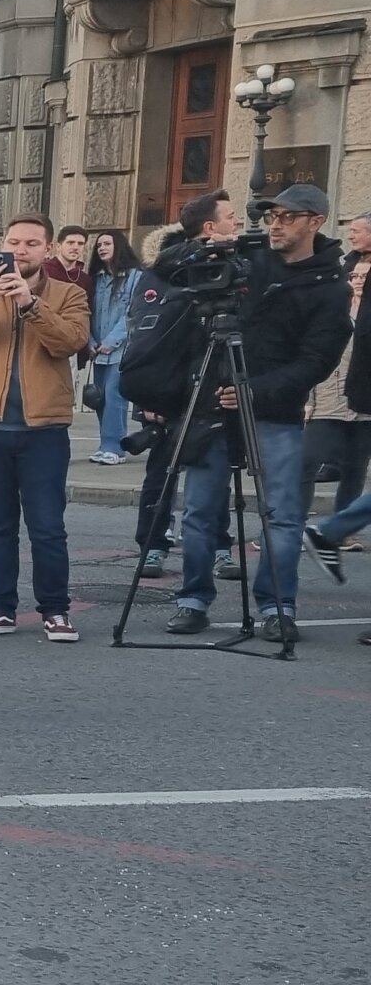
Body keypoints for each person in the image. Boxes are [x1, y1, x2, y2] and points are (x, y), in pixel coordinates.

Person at [158, 183, 348, 642]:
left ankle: (277, 606)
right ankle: (193, 599)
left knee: (281, 515)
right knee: (200, 510)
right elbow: (164, 272)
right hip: (214, 406)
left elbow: (316, 361)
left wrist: (252, 391)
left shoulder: (330, 284)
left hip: (274, 413)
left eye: (286, 217)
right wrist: (199, 247)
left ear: (315, 222)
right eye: (270, 216)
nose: (274, 224)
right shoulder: (248, 255)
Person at [0, 214, 93, 642]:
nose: (20, 250)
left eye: (30, 243)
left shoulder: (69, 294)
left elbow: (69, 343)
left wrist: (30, 303)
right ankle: (0, 608)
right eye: (13, 242)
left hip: (43, 429)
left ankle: (56, 610)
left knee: (47, 525)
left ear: (47, 250)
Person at [132, 195, 241, 580]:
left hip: (220, 384)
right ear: (209, 228)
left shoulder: (237, 265)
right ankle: (152, 545)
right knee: (161, 473)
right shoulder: (166, 271)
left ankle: (221, 545)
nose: (239, 221)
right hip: (171, 389)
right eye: (231, 216)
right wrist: (148, 396)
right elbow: (146, 336)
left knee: (219, 472)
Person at [303, 257, 371, 543]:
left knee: (355, 468)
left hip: (364, 405)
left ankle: (340, 531)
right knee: (307, 462)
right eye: (355, 275)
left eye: (364, 277)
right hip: (327, 400)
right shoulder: (334, 309)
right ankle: (290, 523)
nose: (358, 280)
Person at [86, 230, 144, 464]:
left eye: (107, 243)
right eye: (98, 245)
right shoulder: (96, 279)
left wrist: (111, 341)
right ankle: (105, 444)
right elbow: (86, 312)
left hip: (122, 350)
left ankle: (115, 447)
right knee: (99, 398)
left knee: (114, 396)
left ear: (118, 246)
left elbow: (134, 312)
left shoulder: (134, 277)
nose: (101, 248)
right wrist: (90, 342)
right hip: (97, 350)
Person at [48, 224, 92, 289]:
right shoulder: (44, 270)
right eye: (70, 243)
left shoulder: (85, 279)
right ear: (58, 246)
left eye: (80, 244)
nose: (75, 247)